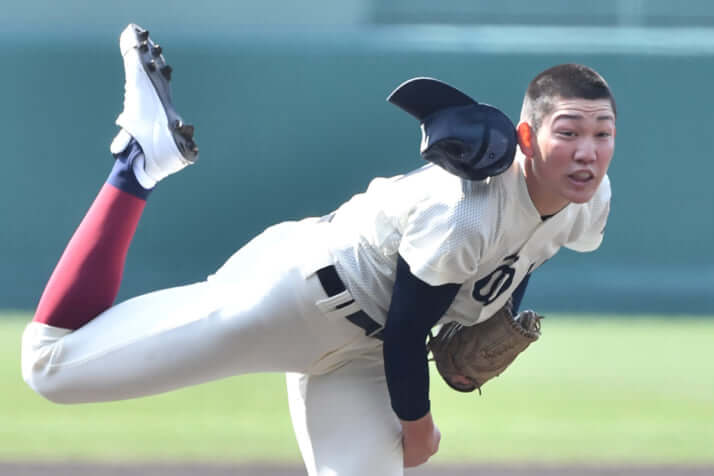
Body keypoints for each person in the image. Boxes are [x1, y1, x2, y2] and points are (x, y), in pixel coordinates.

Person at [21, 23, 616, 476]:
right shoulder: (465, 210)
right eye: (568, 131)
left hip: (360, 358)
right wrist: (420, 427)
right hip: (291, 297)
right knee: (50, 368)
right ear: (527, 138)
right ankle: (140, 162)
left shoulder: (588, 199)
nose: (587, 151)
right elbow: (409, 335)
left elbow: (530, 248)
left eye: (602, 133)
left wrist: (493, 311)